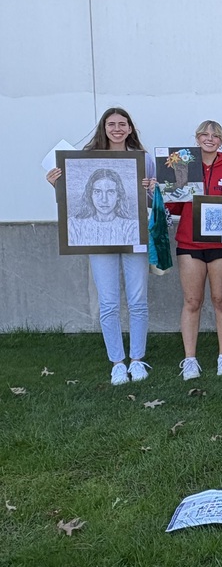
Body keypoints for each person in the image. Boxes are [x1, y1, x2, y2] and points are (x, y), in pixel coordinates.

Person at [46, 108, 156, 385]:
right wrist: (56, 185)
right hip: (98, 240)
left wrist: (152, 190)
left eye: (123, 124)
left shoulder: (145, 159)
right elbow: (72, 199)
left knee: (137, 301)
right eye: (111, 124)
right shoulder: (85, 159)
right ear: (103, 128)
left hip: (134, 236)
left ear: (130, 128)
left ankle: (138, 360)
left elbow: (153, 202)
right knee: (108, 302)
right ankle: (117, 363)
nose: (117, 128)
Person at [166, 121, 222, 381]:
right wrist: (159, 190)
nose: (209, 138)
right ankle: (190, 360)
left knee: (221, 300)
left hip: (221, 245)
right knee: (192, 301)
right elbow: (172, 207)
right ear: (196, 138)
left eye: (215, 135)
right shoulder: (181, 164)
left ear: (221, 140)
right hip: (189, 243)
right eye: (204, 134)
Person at [68, 168, 139, 246]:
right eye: (97, 192)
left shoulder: (131, 227)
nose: (104, 200)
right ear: (90, 195)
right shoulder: (75, 225)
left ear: (118, 195)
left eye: (110, 192)